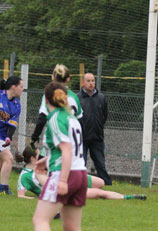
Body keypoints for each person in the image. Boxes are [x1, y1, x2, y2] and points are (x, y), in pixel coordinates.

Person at [32, 82, 87, 231]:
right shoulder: (72, 118)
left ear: (46, 100)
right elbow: (71, 149)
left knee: (40, 220)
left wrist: (62, 180)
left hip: (65, 174)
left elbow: (67, 149)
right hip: (80, 174)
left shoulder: (56, 118)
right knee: (72, 227)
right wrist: (47, 160)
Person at [16, 146, 146, 200]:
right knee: (101, 193)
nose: (40, 157)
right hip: (66, 191)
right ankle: (130, 197)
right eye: (38, 155)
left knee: (100, 183)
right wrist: (34, 198)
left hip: (69, 178)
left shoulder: (42, 166)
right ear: (33, 159)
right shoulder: (25, 176)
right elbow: (20, 195)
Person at [31, 64, 83, 150]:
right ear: (68, 79)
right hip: (72, 141)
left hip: (53, 139)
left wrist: (35, 136)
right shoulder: (74, 97)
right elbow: (80, 120)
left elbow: (42, 118)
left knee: (45, 161)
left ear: (53, 78)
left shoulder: (49, 94)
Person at [77, 73, 112, 185]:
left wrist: (98, 126)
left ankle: (106, 184)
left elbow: (104, 115)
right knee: (81, 163)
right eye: (88, 81)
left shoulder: (101, 97)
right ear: (83, 82)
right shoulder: (78, 98)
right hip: (82, 138)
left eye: (92, 80)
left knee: (100, 164)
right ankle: (80, 184)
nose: (91, 83)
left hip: (97, 137)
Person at [0, 76, 23, 195]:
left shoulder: (17, 105)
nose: (22, 90)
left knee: (2, 164)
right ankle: (3, 189)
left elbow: (12, 124)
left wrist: (9, 137)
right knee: (9, 159)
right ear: (14, 87)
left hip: (3, 137)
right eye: (21, 87)